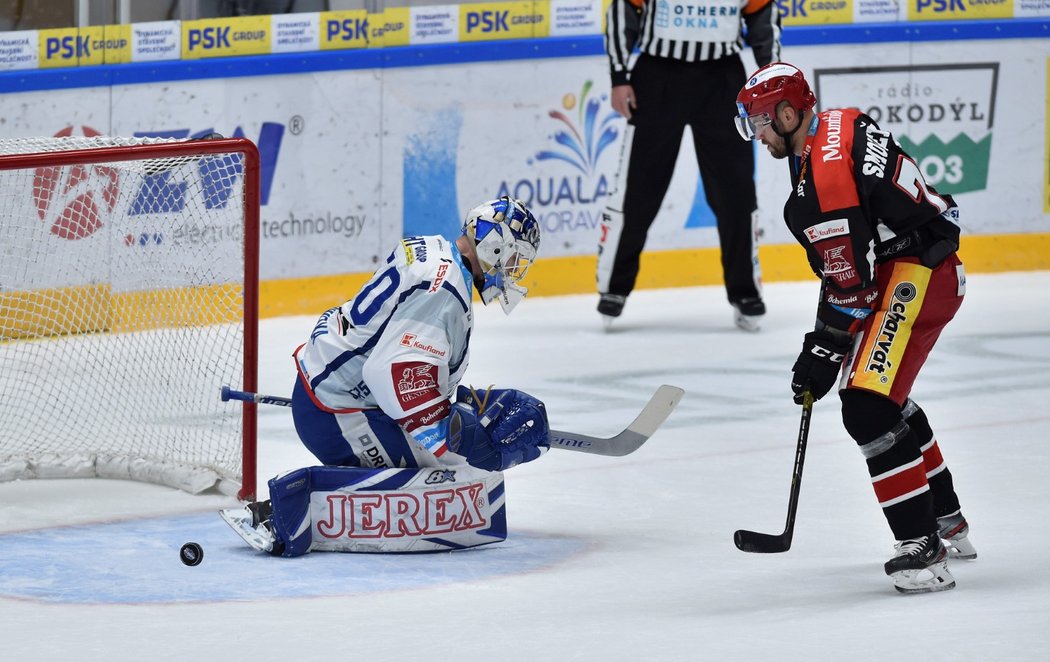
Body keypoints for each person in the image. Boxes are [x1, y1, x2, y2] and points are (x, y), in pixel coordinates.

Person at [734, 62, 975, 593]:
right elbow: (855, 263)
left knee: (867, 405)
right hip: (921, 261)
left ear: (790, 113)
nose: (758, 134)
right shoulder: (840, 122)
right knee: (883, 395)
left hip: (919, 275)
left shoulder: (819, 190)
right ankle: (946, 518)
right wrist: (823, 343)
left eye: (760, 122)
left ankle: (922, 548)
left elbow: (854, 286)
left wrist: (821, 349)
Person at [221, 197, 550, 556]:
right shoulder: (445, 291)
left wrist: (461, 407)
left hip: (328, 392)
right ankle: (286, 509)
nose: (513, 271)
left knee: (462, 457)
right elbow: (392, 375)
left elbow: (397, 352)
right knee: (461, 474)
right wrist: (457, 434)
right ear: (495, 244)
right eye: (514, 259)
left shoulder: (432, 249)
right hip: (338, 416)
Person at [597, 0, 782, 331]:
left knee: (736, 192)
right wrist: (619, 76)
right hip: (657, 77)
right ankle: (614, 288)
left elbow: (763, 22)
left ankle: (745, 292)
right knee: (638, 190)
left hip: (723, 80)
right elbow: (622, 11)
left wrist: (772, 82)